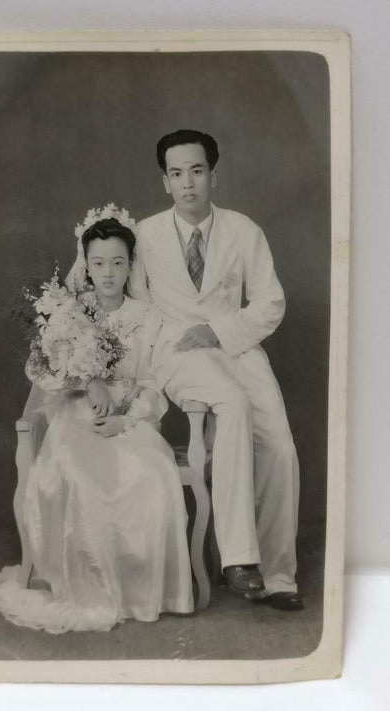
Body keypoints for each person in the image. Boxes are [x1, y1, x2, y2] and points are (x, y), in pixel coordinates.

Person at [0, 210, 194, 633]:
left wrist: (128, 421)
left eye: (118, 262)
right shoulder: (68, 313)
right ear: (86, 263)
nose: (108, 273)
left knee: (152, 471)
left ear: (131, 264)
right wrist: (88, 377)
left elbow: (155, 383)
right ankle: (90, 587)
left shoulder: (148, 317)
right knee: (80, 474)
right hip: (76, 415)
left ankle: (143, 589)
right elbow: (43, 372)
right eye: (98, 263)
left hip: (131, 419)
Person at [129, 129, 302, 611]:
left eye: (197, 171)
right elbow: (128, 300)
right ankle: (239, 558)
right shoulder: (143, 235)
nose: (188, 183)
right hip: (179, 350)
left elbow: (270, 302)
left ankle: (278, 575)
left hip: (237, 347)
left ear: (214, 176)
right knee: (234, 405)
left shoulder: (244, 231)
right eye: (177, 173)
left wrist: (220, 330)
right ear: (165, 182)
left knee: (281, 449)